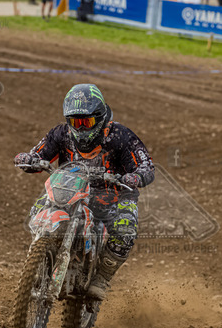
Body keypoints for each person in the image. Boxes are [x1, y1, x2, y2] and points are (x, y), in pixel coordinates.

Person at [13, 84, 155, 301]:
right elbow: (38, 154)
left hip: (114, 194)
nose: (80, 128)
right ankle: (41, 255)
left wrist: (135, 176)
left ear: (99, 118)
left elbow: (146, 166)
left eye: (85, 122)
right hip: (70, 188)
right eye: (75, 122)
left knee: (125, 229)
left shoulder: (121, 136)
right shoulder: (60, 134)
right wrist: (29, 159)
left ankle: (102, 278)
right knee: (38, 210)